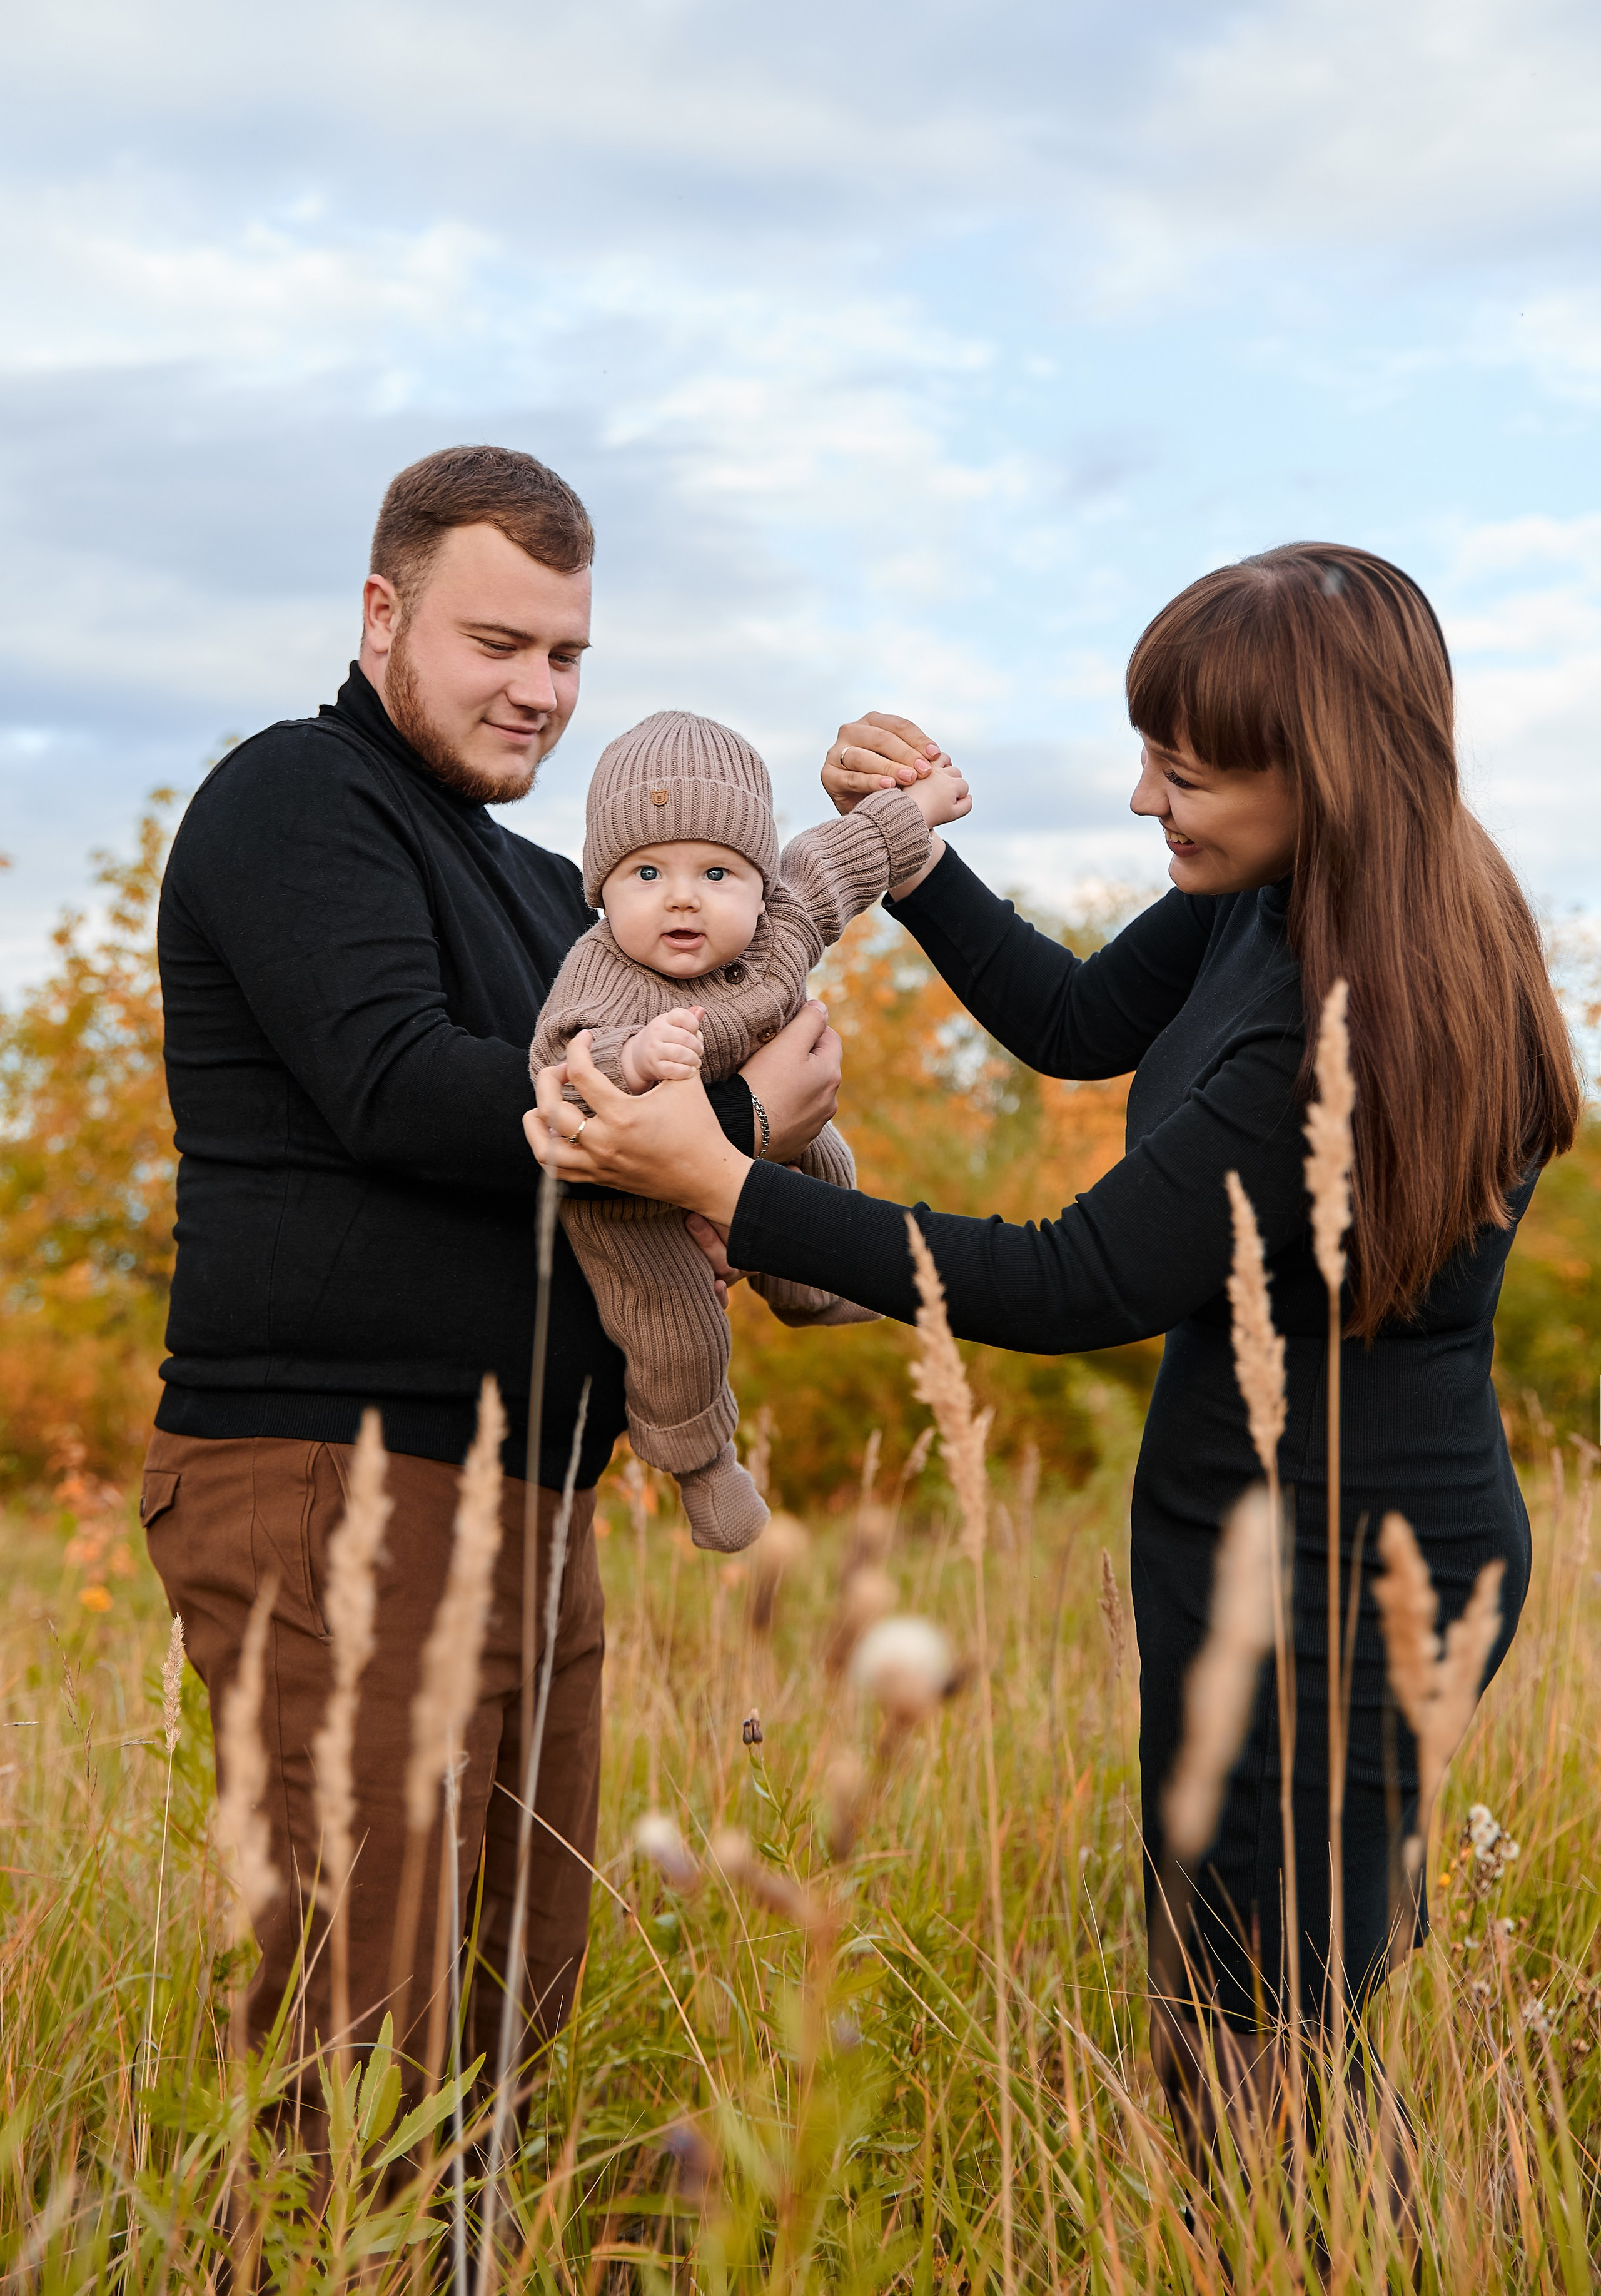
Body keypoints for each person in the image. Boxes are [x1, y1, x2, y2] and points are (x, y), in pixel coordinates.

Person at [527, 542, 1579, 2161]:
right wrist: (913, 862)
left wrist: (725, 1186)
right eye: (1150, 747)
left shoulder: (1340, 1009)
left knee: (1256, 2031)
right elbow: (1082, 1028)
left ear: (1325, 766)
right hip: (1238, 1537)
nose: (1147, 796)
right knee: (1239, 2001)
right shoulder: (1279, 900)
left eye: (1189, 765)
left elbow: (1071, 1280)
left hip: (1348, 1577)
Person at [139, 445, 842, 2104]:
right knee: (361, 2039)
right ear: (384, 615)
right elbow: (395, 1084)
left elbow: (626, 1153)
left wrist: (758, 1178)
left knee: (506, 2017)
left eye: (567, 655)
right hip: (344, 1474)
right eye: (497, 643)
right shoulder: (297, 797)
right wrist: (731, 1117)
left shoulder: (551, 898)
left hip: (530, 1495)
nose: (539, 691)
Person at [528, 707, 971, 1551]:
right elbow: (561, 1074)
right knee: (671, 1321)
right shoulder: (602, 970)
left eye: (718, 873)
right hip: (630, 1197)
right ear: (602, 891)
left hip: (759, 1137)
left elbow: (839, 861)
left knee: (823, 1154)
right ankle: (703, 1464)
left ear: (760, 883)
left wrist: (918, 811)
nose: (683, 898)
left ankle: (817, 1281)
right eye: (647, 873)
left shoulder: (781, 926)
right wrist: (630, 1057)